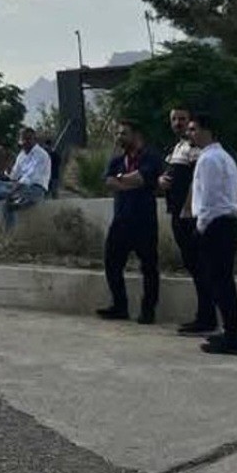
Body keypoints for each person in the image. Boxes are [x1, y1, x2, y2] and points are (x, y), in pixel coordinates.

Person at [188, 113, 237, 356]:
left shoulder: (209, 159)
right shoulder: (225, 157)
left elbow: (210, 198)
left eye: (194, 129)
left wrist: (201, 227)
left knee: (219, 284)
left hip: (216, 225)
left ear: (207, 131)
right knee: (225, 283)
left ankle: (233, 338)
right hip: (227, 222)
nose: (190, 134)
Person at [97, 120, 164, 325]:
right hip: (121, 220)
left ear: (136, 135)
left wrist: (121, 180)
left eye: (123, 133)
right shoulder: (118, 160)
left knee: (149, 266)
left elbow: (142, 178)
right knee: (112, 263)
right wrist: (127, 181)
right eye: (118, 133)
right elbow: (108, 182)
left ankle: (148, 310)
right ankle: (119, 306)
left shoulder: (151, 157)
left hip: (144, 220)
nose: (119, 137)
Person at [160, 108, 217, 337]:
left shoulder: (197, 150)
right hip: (177, 214)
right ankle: (204, 316)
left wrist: (187, 210)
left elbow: (196, 182)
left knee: (200, 266)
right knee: (193, 265)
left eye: (183, 119)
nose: (178, 123)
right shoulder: (178, 147)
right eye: (174, 119)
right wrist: (162, 180)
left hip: (190, 217)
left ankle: (207, 317)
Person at [0, 127, 52, 231]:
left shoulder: (41, 155)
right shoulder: (21, 156)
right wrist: (8, 171)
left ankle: (9, 235)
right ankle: (11, 195)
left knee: (9, 205)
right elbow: (14, 176)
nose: (25, 142)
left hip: (34, 189)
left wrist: (15, 187)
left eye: (28, 139)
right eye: (23, 140)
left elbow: (30, 177)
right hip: (18, 188)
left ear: (34, 140)